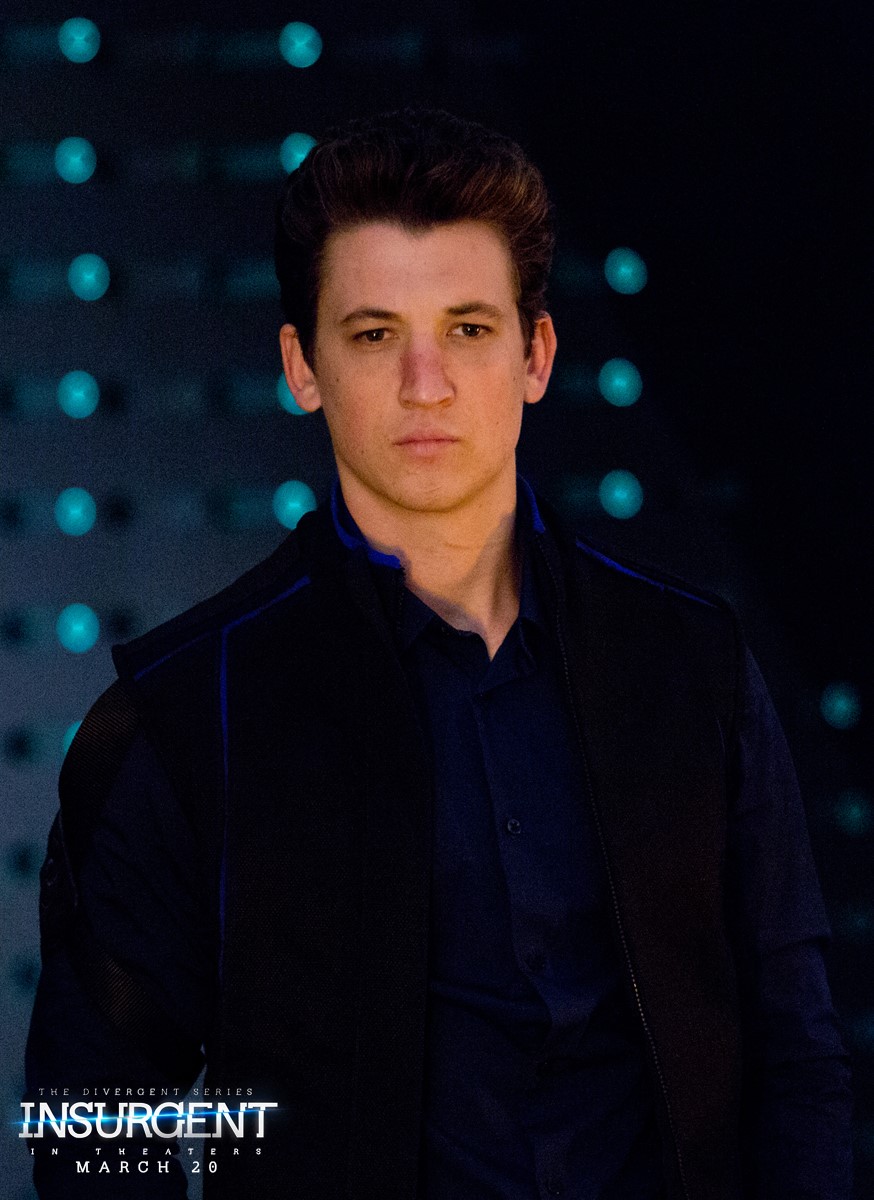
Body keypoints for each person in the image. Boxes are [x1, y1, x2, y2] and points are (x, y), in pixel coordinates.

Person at [25, 107, 852, 1200]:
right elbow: (92, 1125)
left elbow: (796, 1055)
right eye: (375, 335)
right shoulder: (184, 712)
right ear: (302, 366)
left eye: (467, 329)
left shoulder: (691, 665)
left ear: (535, 354)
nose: (427, 383)